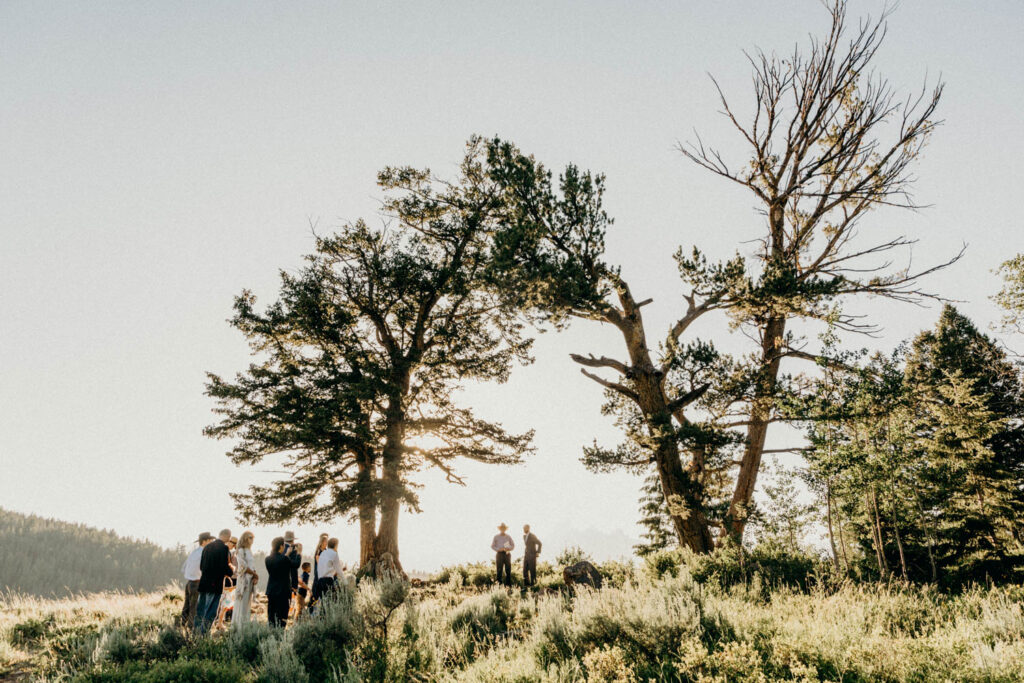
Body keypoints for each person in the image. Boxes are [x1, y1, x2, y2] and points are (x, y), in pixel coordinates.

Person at [194, 529, 232, 634]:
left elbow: (201, 566)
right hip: (215, 585)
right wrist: (231, 571)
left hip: (204, 583)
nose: (229, 540)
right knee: (210, 612)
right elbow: (223, 567)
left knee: (200, 610)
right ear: (226, 536)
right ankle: (204, 635)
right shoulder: (224, 548)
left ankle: (195, 633)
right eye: (229, 537)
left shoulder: (206, 547)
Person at [180, 532, 212, 628]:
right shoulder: (204, 553)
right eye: (210, 540)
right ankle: (191, 629)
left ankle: (182, 625)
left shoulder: (194, 552)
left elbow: (183, 568)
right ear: (204, 541)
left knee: (187, 606)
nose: (211, 542)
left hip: (189, 582)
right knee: (195, 608)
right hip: (197, 583)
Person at [265, 536, 294, 627]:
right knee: (282, 617)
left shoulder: (267, 559)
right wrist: (288, 554)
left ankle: (271, 634)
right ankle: (280, 636)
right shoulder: (285, 559)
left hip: (272, 590)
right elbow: (292, 565)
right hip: (283, 591)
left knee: (271, 616)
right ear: (281, 546)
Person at [232, 531, 258, 627]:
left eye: (253, 538)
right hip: (244, 581)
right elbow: (243, 566)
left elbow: (252, 565)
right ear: (245, 538)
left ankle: (245, 626)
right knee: (241, 603)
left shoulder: (249, 551)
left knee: (247, 604)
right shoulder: (240, 550)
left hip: (250, 579)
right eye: (250, 537)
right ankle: (238, 627)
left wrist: (255, 576)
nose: (252, 540)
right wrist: (255, 574)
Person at [310, 533, 329, 607]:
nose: (327, 543)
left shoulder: (326, 551)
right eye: (326, 541)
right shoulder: (319, 552)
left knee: (324, 597)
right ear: (322, 542)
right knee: (316, 596)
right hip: (320, 577)